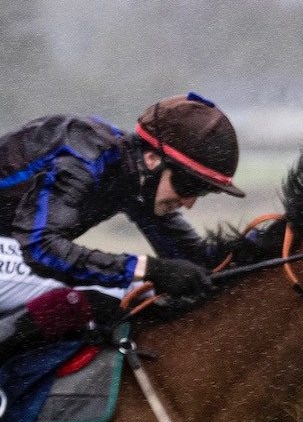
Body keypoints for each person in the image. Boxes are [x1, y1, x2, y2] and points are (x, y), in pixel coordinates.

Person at [0, 93, 244, 366]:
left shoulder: (135, 175)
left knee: (144, 292)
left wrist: (269, 242)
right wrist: (148, 268)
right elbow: (40, 249)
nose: (189, 203)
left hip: (11, 251)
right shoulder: (83, 158)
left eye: (204, 192)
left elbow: (196, 260)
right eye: (189, 186)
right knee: (114, 293)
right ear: (153, 159)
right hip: (25, 248)